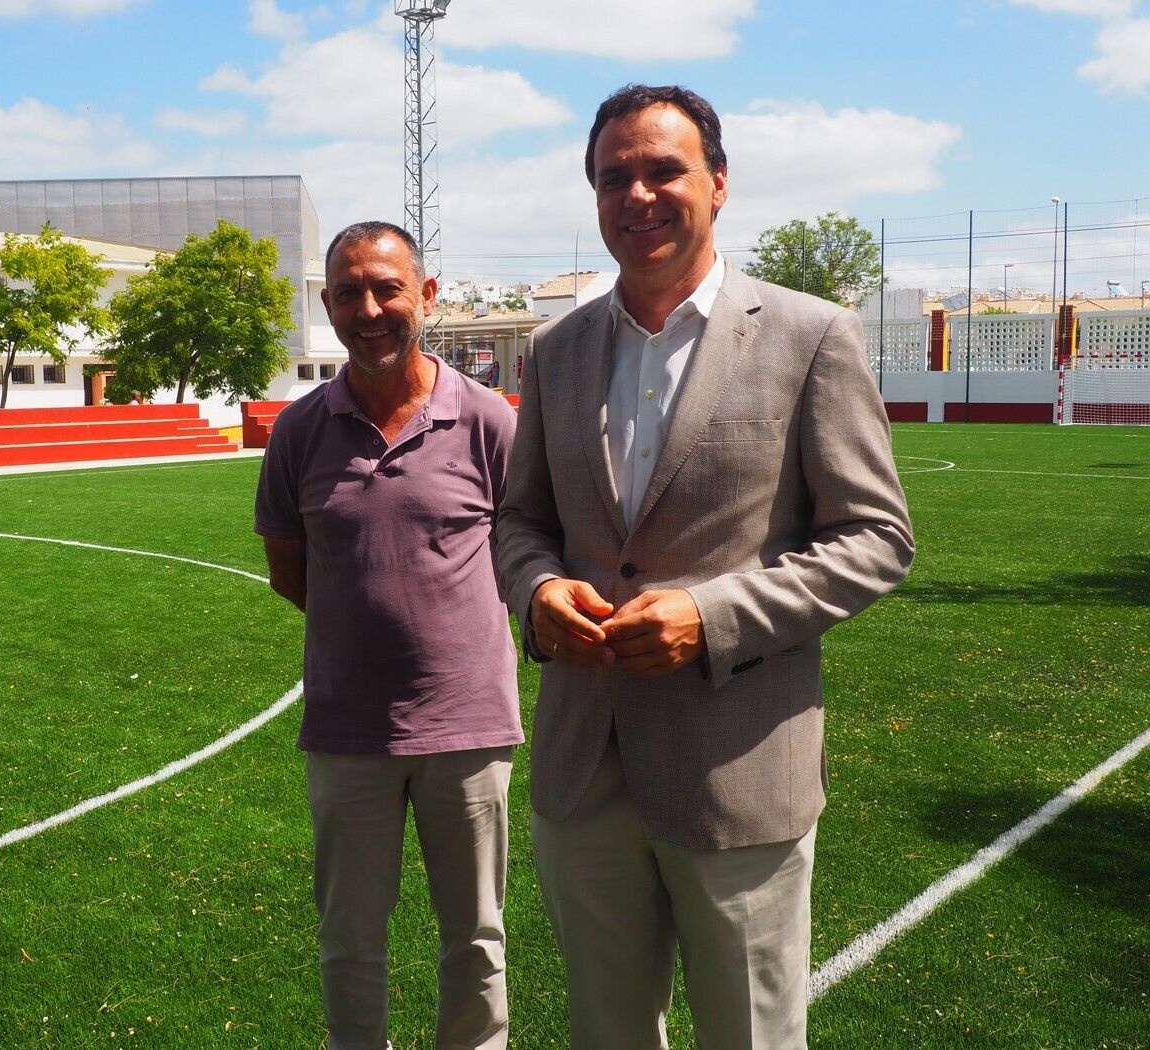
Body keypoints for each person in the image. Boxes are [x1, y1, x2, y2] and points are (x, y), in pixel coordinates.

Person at [496, 84, 915, 1049]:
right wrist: (537, 589)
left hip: (736, 771)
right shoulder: (554, 352)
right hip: (581, 770)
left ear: (717, 184)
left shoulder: (811, 336)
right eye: (613, 178)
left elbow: (875, 538)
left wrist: (710, 615)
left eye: (662, 170)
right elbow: (519, 520)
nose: (637, 195)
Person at [254, 220, 520, 1050]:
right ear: (328, 305)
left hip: (469, 727)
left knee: (475, 939)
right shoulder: (298, 432)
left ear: (426, 296)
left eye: (386, 289)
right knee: (348, 939)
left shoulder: (487, 420)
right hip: (346, 730)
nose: (368, 309)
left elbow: (524, 553)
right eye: (347, 293)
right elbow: (291, 573)